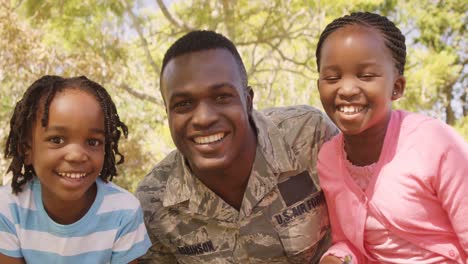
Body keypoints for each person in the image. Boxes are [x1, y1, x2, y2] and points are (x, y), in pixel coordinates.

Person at [136, 30, 337, 263]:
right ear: (168, 114)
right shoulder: (154, 203)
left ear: (248, 100)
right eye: (183, 104)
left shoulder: (308, 136)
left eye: (221, 97)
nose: (203, 118)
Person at [315, 12, 468, 264]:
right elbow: (350, 242)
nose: (347, 89)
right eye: (332, 78)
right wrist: (337, 257)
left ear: (396, 87)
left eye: (366, 76)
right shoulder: (328, 159)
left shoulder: (435, 144)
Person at [0, 76, 151, 264]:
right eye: (57, 140)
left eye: (93, 142)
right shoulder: (8, 208)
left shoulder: (124, 211)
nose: (77, 155)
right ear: (27, 149)